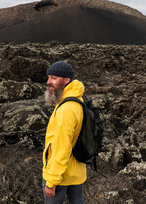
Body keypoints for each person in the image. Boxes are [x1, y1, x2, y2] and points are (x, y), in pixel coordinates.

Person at [42, 61, 86, 204]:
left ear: (66, 80)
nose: (49, 82)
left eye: (54, 78)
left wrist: (51, 181)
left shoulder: (66, 109)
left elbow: (61, 148)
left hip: (61, 175)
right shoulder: (78, 99)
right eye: (48, 77)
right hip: (76, 171)